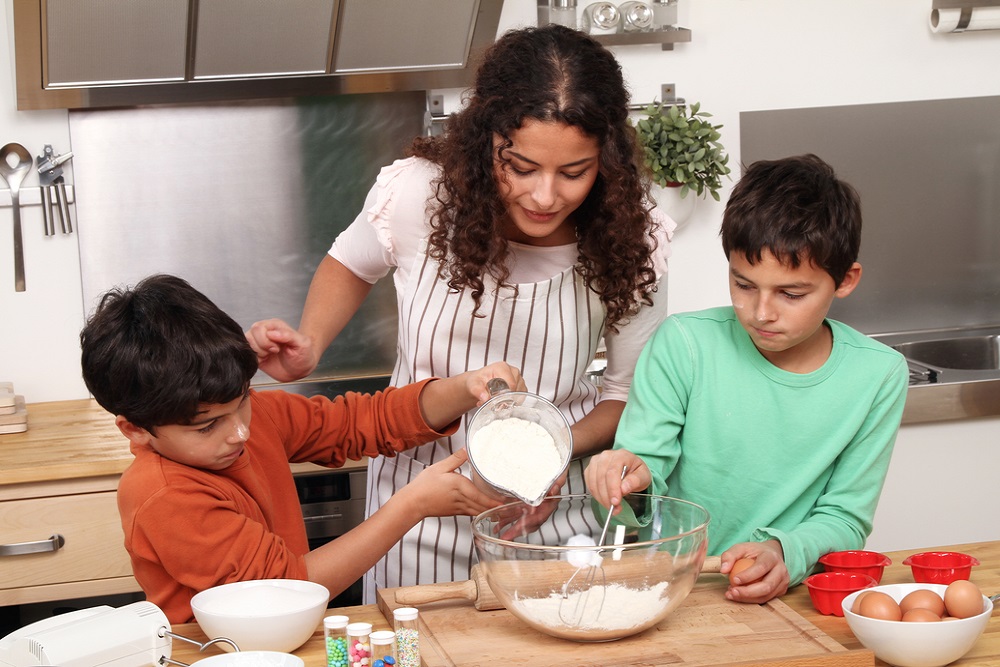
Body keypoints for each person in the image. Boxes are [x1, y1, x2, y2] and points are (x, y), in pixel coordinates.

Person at [245, 23, 675, 600]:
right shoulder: (421, 196)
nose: (546, 196)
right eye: (521, 167)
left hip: (549, 511)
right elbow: (350, 263)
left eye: (575, 172)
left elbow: (626, 394)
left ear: (608, 158)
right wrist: (311, 343)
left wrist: (545, 461)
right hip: (413, 510)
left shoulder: (631, 234)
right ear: (485, 137)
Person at [79, 273, 523, 623]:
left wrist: (468, 387)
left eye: (242, 403)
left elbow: (363, 421)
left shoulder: (256, 418)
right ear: (135, 430)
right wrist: (410, 506)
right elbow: (286, 590)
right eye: (206, 426)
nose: (239, 433)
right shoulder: (165, 495)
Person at [585, 154, 909, 605]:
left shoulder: (879, 375)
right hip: (671, 591)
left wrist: (784, 552)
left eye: (791, 293)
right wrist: (624, 481)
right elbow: (641, 488)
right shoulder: (684, 344)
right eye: (743, 284)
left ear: (845, 280)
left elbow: (845, 517)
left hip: (788, 595)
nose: (761, 313)